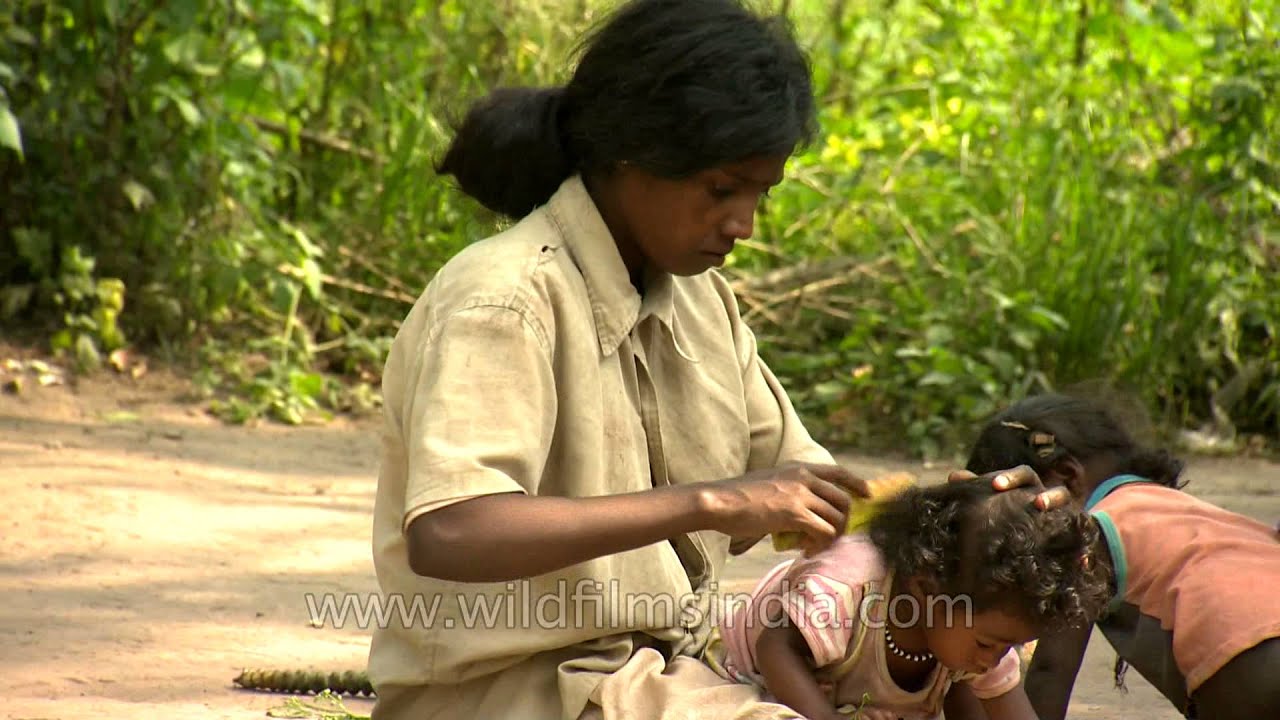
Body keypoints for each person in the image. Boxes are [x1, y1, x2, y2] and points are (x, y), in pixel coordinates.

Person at [367, 2, 872, 719]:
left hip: (664, 677)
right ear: (633, 155)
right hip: (519, 692)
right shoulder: (504, 299)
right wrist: (711, 502)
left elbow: (810, 488)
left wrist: (973, 517)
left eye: (762, 193)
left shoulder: (702, 303)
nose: (744, 224)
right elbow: (451, 531)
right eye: (722, 190)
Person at [964, 392, 1280, 720]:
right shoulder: (1190, 513)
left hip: (1256, 670)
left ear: (1068, 477)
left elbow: (1049, 671)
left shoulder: (1084, 533)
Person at [703, 477, 1112, 720]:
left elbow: (1005, 706)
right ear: (926, 589)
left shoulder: (977, 625)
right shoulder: (848, 589)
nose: (994, 658)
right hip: (751, 680)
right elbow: (776, 646)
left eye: (1008, 647)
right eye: (990, 645)